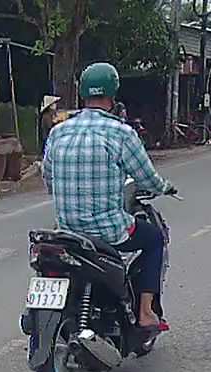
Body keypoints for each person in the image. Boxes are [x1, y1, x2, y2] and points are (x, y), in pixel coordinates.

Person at [42, 62, 174, 330]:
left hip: (66, 231)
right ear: (113, 95)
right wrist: (164, 187)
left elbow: (48, 177)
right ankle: (146, 313)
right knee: (154, 239)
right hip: (107, 231)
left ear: (83, 93)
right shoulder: (121, 132)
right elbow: (146, 178)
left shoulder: (58, 131)